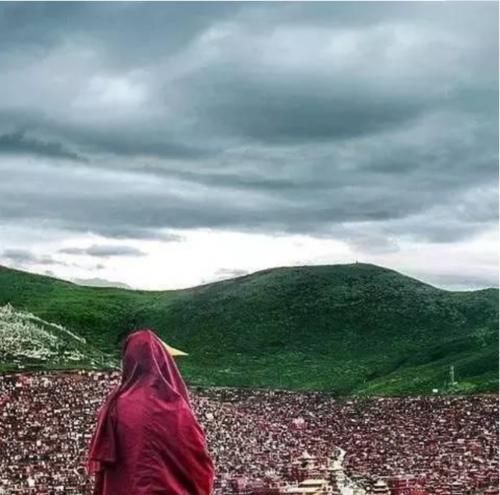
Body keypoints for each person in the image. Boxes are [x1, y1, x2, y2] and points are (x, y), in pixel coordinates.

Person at [87, 329, 215, 495]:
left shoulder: (114, 405)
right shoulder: (175, 407)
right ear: (163, 361)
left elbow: (105, 464)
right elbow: (198, 465)